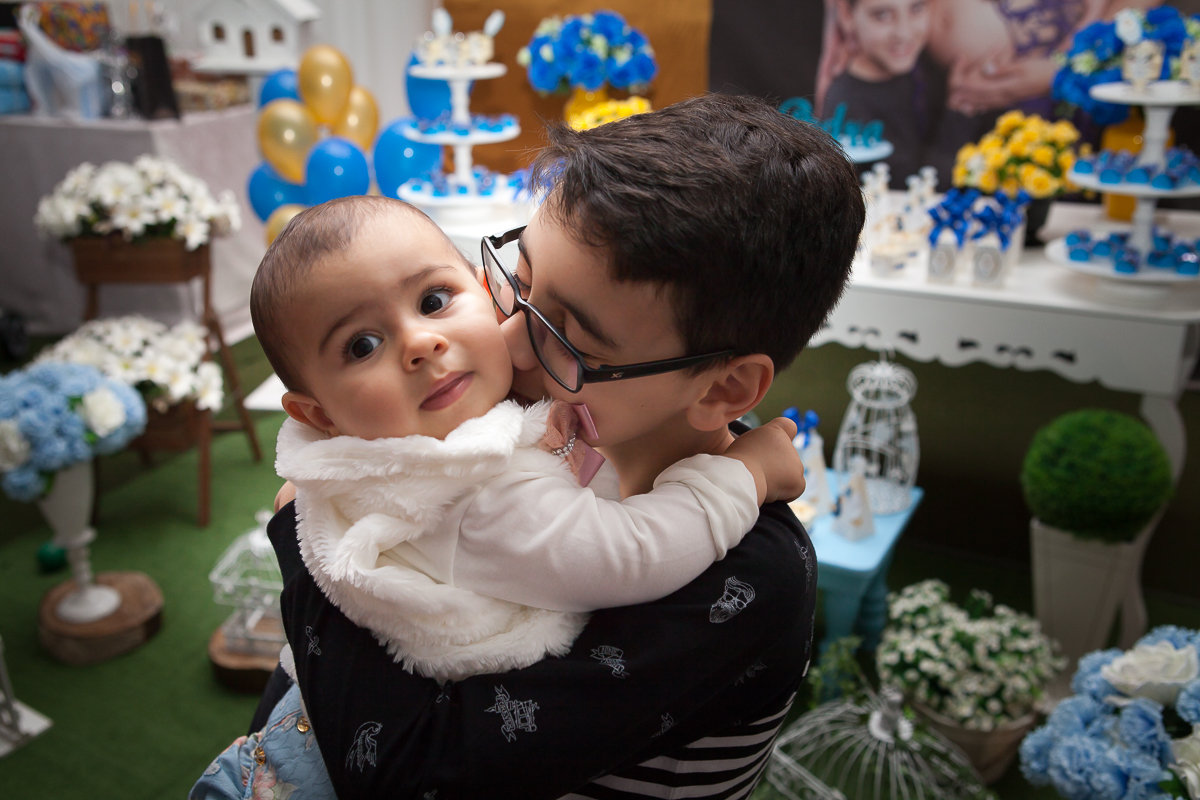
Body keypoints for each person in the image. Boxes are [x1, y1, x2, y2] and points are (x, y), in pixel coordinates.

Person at [259, 93, 863, 799]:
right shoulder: (529, 406)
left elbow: (407, 774)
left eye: (567, 335)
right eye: (519, 283)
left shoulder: (748, 579)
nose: (507, 341)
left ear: (724, 392)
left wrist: (301, 528)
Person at [823, 0, 977, 186]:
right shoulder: (846, 105)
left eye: (917, 8)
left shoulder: (923, 69)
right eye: (882, 15)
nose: (903, 33)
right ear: (847, 15)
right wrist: (959, 111)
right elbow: (914, 186)